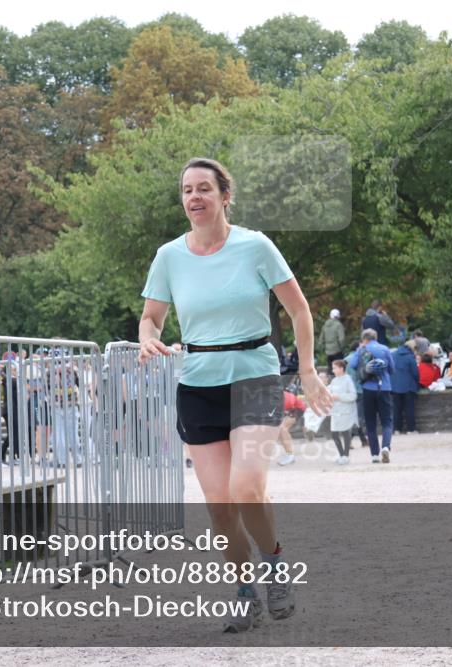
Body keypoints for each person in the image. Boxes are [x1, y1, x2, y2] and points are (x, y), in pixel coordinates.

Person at [137, 157, 332, 633]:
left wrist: (306, 370)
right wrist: (147, 337)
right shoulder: (169, 257)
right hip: (198, 384)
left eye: (204, 188)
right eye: (187, 190)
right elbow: (152, 318)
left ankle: (274, 562)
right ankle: (245, 590)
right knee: (220, 506)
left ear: (226, 196)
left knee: (246, 490)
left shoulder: (256, 246)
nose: (194, 197)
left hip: (254, 377)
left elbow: (300, 310)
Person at [355, 329, 395, 463]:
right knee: (387, 422)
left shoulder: (361, 350)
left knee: (370, 423)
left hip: (368, 389)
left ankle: (374, 455)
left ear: (364, 339)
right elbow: (392, 369)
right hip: (384, 387)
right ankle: (385, 447)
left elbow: (353, 365)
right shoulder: (385, 349)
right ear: (376, 337)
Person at [327, 359, 357, 464]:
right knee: (334, 434)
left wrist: (339, 397)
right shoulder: (334, 380)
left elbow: (353, 396)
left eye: (335, 368)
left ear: (341, 368)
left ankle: (346, 455)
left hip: (345, 411)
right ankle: (341, 455)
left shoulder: (348, 379)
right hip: (335, 411)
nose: (333, 370)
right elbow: (328, 391)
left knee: (345, 432)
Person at [391, 339, 420, 434]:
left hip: (394, 386)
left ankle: (396, 429)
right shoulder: (410, 357)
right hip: (408, 386)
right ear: (412, 348)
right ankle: (411, 429)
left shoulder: (393, 355)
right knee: (409, 409)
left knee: (396, 409)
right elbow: (415, 373)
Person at [344, 342, 369, 448]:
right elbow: (363, 375)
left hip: (347, 391)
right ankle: (349, 440)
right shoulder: (360, 359)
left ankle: (363, 440)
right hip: (358, 390)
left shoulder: (344, 360)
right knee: (359, 417)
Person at [277, 388, 305, 466]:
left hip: (297, 409)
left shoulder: (282, 396)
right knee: (280, 430)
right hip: (290, 410)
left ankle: (290, 455)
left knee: (282, 428)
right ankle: (289, 454)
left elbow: (291, 402)